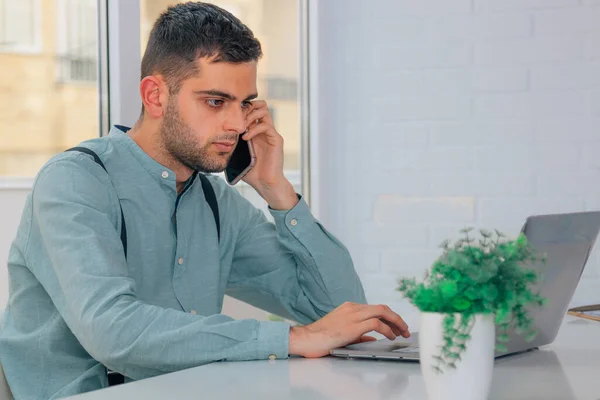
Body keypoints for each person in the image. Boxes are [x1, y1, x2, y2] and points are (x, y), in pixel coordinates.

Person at [0, 2, 410, 398]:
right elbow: (114, 332)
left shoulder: (217, 204)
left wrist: (276, 190)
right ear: (155, 95)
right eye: (215, 102)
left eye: (244, 103)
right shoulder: (76, 182)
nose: (235, 124)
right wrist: (293, 338)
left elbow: (341, 310)